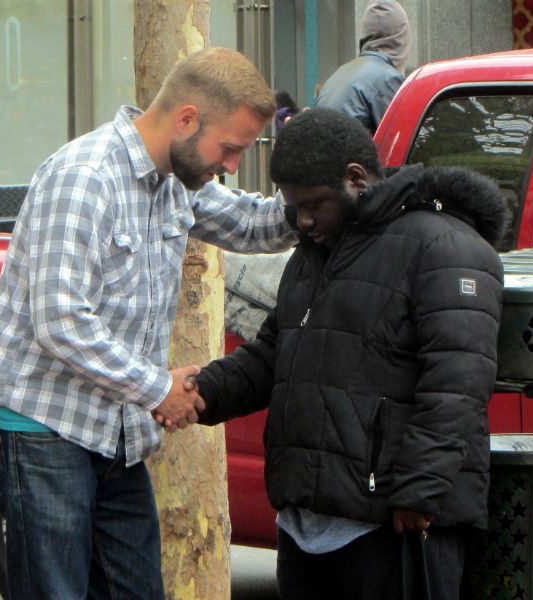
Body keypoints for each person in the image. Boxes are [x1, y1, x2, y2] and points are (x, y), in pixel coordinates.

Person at [0, 47, 297, 600]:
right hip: (41, 432)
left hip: (115, 436)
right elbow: (61, 320)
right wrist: (158, 389)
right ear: (188, 118)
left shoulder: (175, 181)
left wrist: (326, 198)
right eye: (231, 148)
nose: (232, 165)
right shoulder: (84, 178)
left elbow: (250, 224)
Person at [187, 108, 508, 599]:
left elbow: (457, 385)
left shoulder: (444, 248)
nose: (304, 220)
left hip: (392, 525)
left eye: (314, 204)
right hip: (307, 527)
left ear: (356, 179)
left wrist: (420, 492)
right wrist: (198, 393)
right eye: (294, 208)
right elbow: (276, 350)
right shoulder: (317, 251)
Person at [315, 0, 411, 135]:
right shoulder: (388, 77)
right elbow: (400, 138)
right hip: (351, 155)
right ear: (401, 39)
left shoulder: (341, 72)